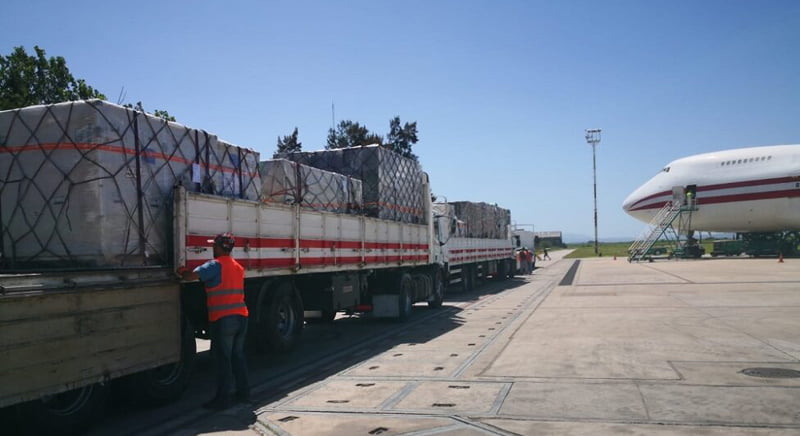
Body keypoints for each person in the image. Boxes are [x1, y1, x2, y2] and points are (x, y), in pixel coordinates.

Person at [177, 232, 250, 409]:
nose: (212, 248)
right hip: (241, 317)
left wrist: (181, 271)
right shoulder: (238, 267)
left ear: (218, 247)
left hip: (224, 319)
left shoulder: (214, 265)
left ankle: (222, 399)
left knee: (222, 359)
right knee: (237, 356)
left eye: (213, 245)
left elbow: (190, 277)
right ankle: (243, 394)